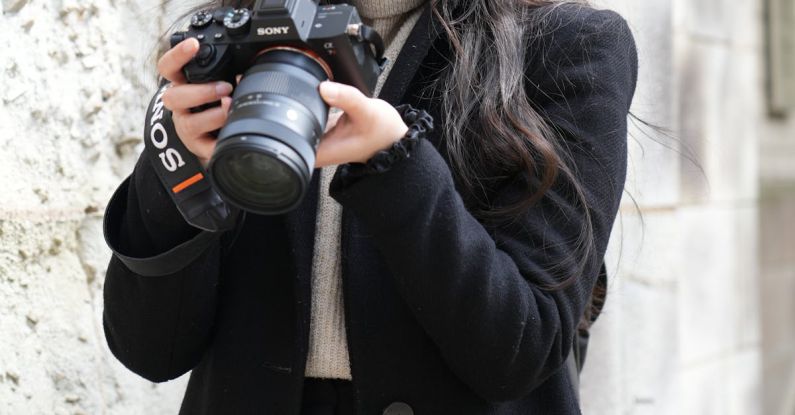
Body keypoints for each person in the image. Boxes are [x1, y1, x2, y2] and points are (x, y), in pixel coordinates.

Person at [102, 0, 638, 413]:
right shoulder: (245, 34)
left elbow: (520, 347)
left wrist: (396, 162)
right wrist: (179, 163)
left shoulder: (563, 44)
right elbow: (149, 349)